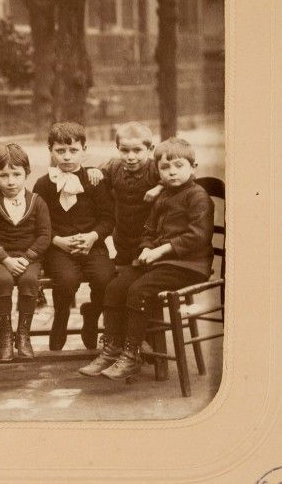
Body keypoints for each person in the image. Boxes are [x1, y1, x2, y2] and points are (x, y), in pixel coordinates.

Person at [80, 137, 214, 380]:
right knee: (115, 286)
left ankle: (131, 355)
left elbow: (198, 236)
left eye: (178, 166)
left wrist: (160, 251)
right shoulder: (162, 196)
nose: (171, 172)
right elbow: (149, 230)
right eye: (165, 168)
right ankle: (111, 350)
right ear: (157, 170)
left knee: (139, 290)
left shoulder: (197, 196)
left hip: (188, 265)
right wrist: (145, 249)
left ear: (193, 168)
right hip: (160, 262)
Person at [33, 122, 115, 351]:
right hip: (58, 247)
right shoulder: (44, 184)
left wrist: (92, 236)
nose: (67, 157)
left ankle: (91, 315)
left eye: (73, 150)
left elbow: (108, 218)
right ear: (50, 150)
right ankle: (61, 317)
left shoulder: (94, 180)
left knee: (105, 278)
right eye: (60, 151)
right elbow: (37, 222)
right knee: (67, 280)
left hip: (92, 245)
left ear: (84, 149)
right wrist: (57, 240)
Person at [0, 144, 51, 362]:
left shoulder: (37, 202)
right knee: (2, 281)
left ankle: (23, 335)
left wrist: (27, 257)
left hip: (28, 257)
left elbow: (44, 235)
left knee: (30, 280)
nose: (11, 181)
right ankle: (5, 337)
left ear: (27, 173)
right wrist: (6, 260)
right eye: (4, 175)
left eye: (17, 174)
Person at [96, 122, 163, 267]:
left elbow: (176, 180)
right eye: (124, 151)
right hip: (122, 235)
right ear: (118, 148)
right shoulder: (114, 166)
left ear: (150, 149)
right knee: (121, 270)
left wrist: (159, 187)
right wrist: (93, 173)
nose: (130, 157)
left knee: (139, 271)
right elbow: (100, 177)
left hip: (148, 237)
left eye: (137, 150)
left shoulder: (155, 168)